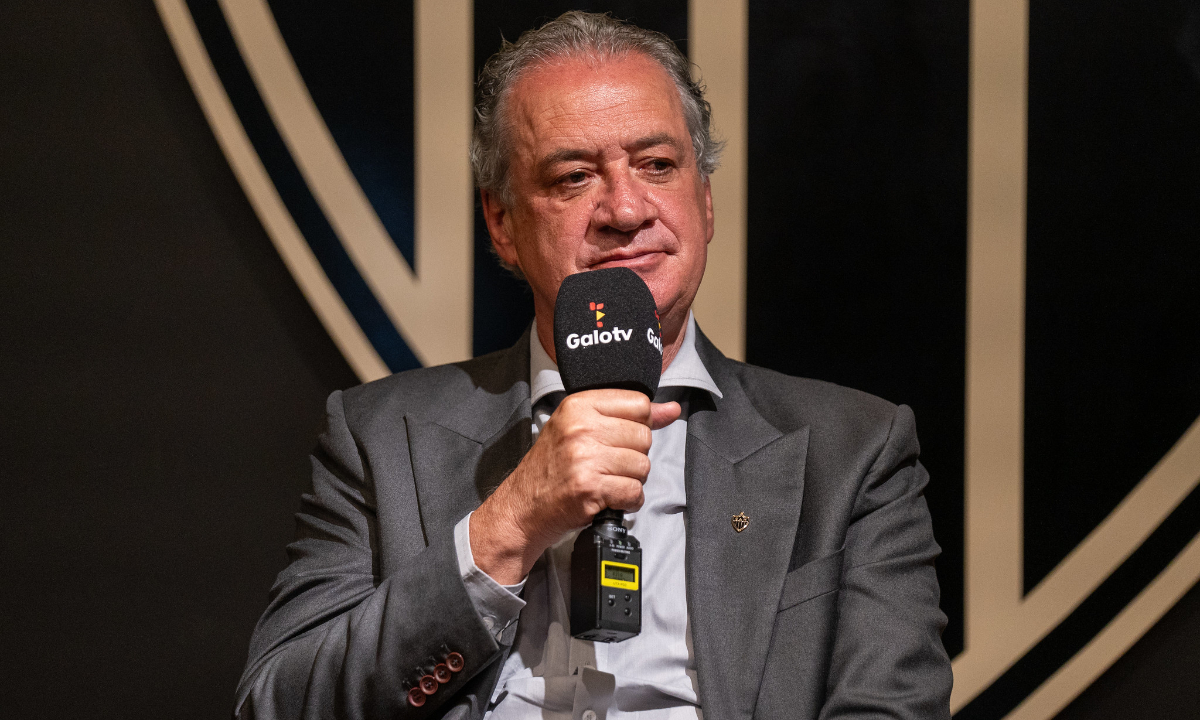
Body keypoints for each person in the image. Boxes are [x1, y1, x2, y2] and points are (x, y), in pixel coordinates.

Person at [235, 11, 952, 720]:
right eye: (574, 177)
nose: (626, 209)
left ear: (704, 201)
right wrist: (506, 526)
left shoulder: (853, 450)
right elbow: (278, 704)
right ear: (502, 224)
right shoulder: (380, 435)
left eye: (657, 166)